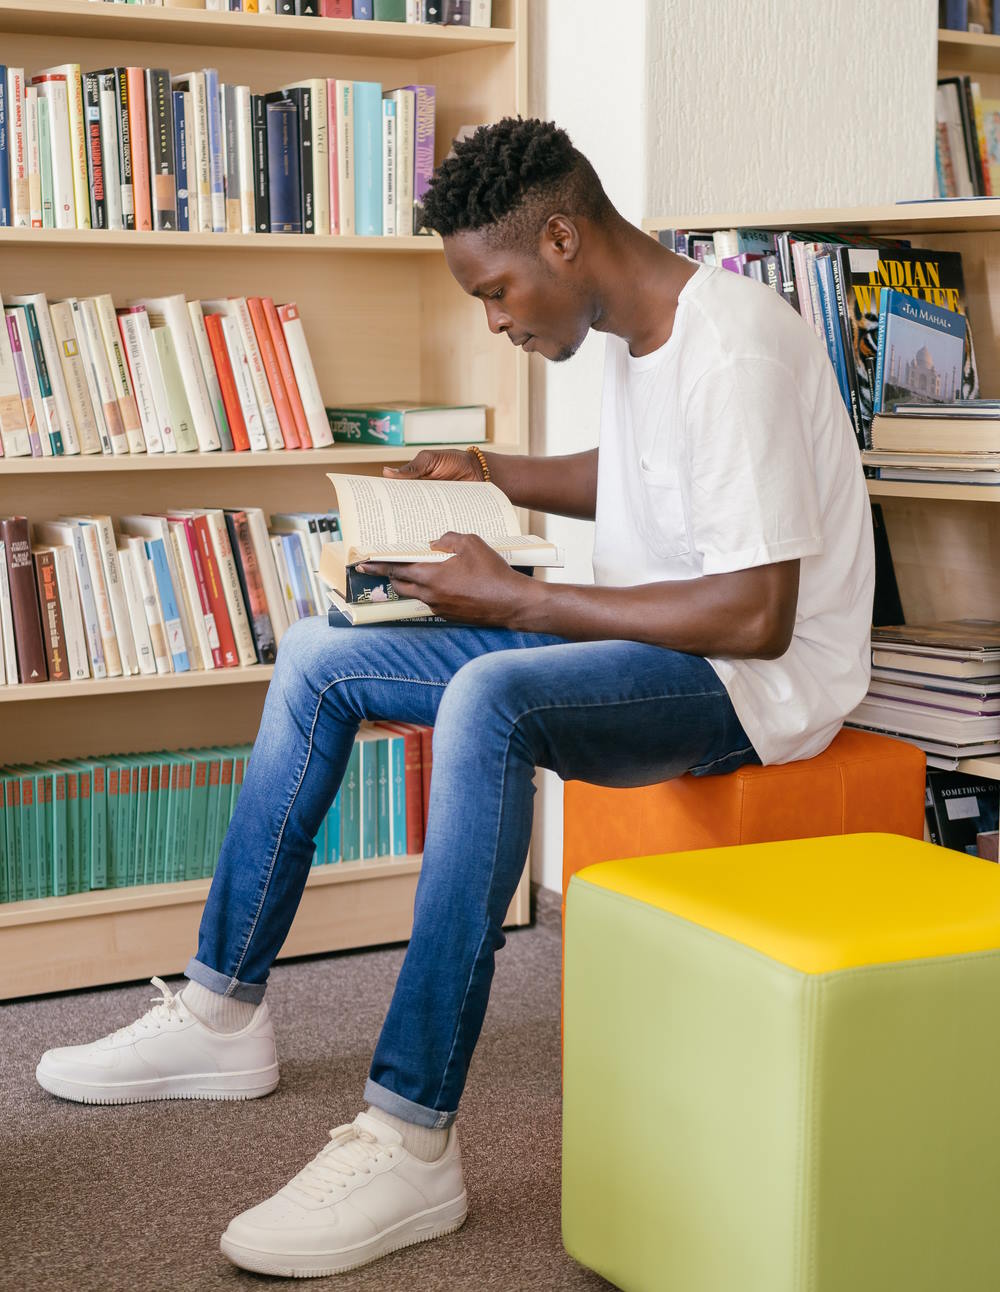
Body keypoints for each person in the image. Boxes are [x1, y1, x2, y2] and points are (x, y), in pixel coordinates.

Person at [34, 117, 874, 1278]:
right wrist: (490, 472)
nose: (496, 320)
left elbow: (752, 614)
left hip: (751, 687)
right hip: (661, 648)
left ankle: (409, 1133)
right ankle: (223, 1010)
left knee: (489, 695)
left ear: (563, 240)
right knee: (320, 653)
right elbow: (635, 479)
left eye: (495, 290)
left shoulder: (733, 345)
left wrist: (520, 605)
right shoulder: (642, 331)